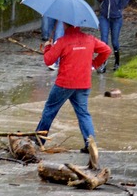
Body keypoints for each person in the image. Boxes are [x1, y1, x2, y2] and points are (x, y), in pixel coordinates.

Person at [34, 24, 111, 162]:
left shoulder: (63, 41)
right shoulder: (90, 39)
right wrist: (94, 64)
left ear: (65, 25)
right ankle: (90, 144)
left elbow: (48, 60)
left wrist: (47, 47)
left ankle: (39, 141)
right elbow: (106, 50)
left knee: (50, 110)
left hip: (65, 83)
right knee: (83, 113)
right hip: (83, 83)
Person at [95, 0, 128, 73]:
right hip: (104, 16)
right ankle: (103, 64)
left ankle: (117, 61)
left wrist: (118, 8)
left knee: (114, 41)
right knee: (103, 40)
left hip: (116, 18)